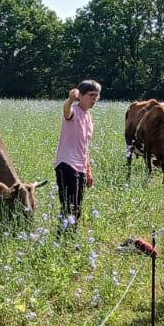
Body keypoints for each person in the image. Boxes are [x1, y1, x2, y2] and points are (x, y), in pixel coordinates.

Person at [56, 80, 99, 228]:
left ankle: (69, 238)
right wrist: (70, 99)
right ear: (80, 95)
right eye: (91, 95)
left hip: (80, 166)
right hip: (66, 164)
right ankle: (62, 238)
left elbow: (85, 146)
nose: (94, 99)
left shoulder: (88, 117)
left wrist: (88, 171)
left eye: (96, 96)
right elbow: (66, 111)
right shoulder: (73, 110)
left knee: (77, 208)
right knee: (69, 206)